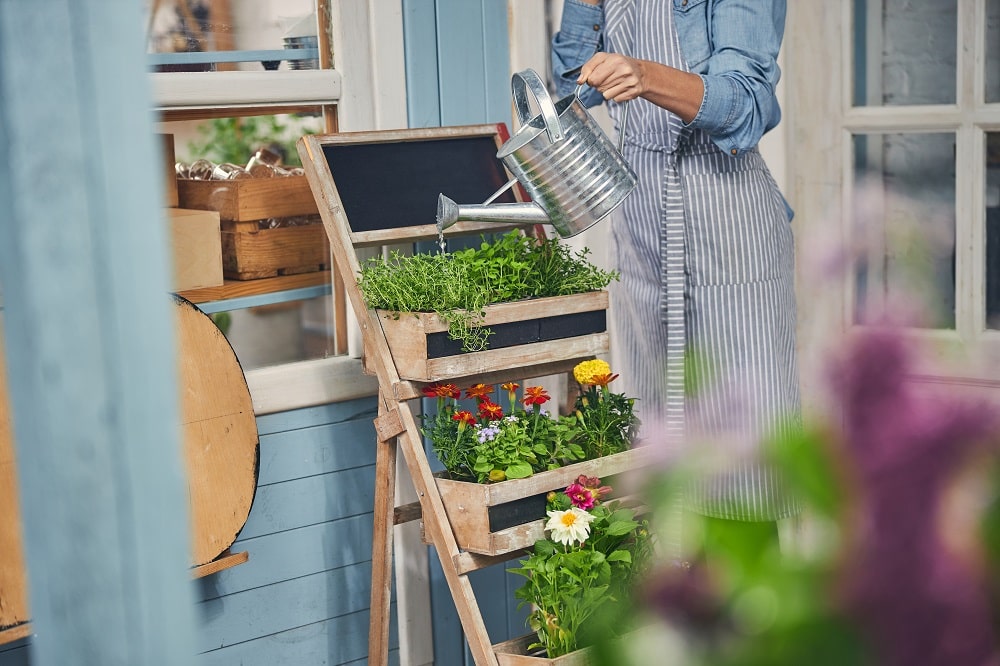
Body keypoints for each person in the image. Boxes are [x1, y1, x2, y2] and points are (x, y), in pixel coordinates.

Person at [552, 0, 800, 551]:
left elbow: (747, 103)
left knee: (741, 467)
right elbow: (573, 87)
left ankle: (754, 627)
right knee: (655, 463)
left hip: (727, 228)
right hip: (641, 229)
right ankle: (678, 624)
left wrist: (645, 75)